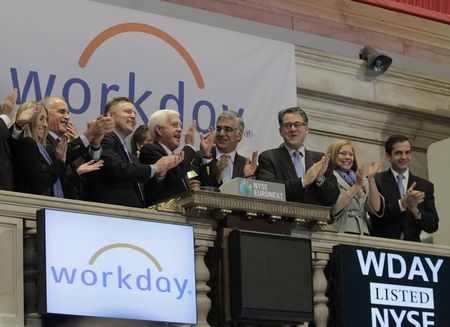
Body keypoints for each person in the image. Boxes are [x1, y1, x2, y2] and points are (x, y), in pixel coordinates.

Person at [85, 97, 183, 208]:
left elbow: (143, 189)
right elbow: (117, 169)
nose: (133, 116)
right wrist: (155, 167)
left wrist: (160, 174)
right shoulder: (104, 138)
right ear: (110, 115)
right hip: (110, 213)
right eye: (127, 111)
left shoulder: (127, 152)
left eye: (135, 114)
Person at [256, 106, 339, 206]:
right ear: (281, 132)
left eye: (297, 125)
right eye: (287, 125)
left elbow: (332, 198)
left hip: (313, 220)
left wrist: (320, 179)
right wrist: (304, 181)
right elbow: (268, 190)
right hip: (281, 219)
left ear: (307, 129)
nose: (292, 129)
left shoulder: (321, 160)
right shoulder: (268, 157)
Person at [40, 96, 114, 199]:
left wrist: (95, 144)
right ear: (45, 114)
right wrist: (90, 133)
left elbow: (89, 170)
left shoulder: (66, 143)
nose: (67, 117)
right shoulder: (41, 141)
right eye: (61, 112)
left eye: (68, 113)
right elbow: (61, 156)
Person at [369, 134, 439, 242]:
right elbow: (377, 217)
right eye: (398, 153)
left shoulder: (425, 185)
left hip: (413, 250)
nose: (404, 157)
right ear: (388, 156)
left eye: (407, 152)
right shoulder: (376, 181)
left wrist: (415, 210)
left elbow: (433, 225)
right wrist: (402, 203)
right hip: (382, 248)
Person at [139, 109, 200, 205]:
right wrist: (189, 145)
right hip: (161, 214)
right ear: (159, 130)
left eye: (180, 126)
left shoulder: (173, 156)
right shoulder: (150, 150)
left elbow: (190, 174)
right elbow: (175, 173)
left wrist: (191, 185)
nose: (179, 129)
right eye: (174, 125)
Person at [327, 139, 384, 235]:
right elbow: (334, 209)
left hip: (363, 234)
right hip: (339, 232)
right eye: (343, 154)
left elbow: (377, 208)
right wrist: (356, 186)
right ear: (333, 155)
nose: (348, 157)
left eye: (351, 154)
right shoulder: (329, 177)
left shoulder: (361, 179)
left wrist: (371, 179)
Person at [194, 111, 258, 187]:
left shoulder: (246, 165)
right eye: (218, 129)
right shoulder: (200, 156)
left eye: (227, 129)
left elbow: (247, 195)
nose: (221, 133)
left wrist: (248, 178)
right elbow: (193, 183)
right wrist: (208, 160)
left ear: (239, 136)